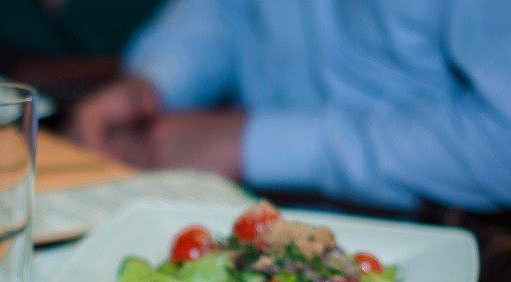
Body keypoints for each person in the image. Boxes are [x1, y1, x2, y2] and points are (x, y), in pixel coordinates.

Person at [71, 0, 511, 214]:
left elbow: (502, 144)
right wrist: (155, 82)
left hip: (437, 237)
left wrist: (253, 144)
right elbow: (226, 9)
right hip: (244, 204)